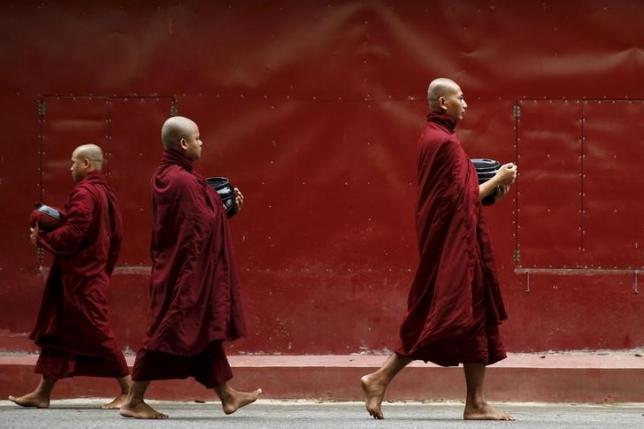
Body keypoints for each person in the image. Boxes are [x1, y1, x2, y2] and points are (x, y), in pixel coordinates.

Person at [360, 78, 518, 421]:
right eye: (461, 97)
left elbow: (454, 196)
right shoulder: (444, 142)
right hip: (454, 246)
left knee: (477, 314)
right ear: (443, 103)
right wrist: (499, 180)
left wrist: (482, 189)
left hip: (456, 240)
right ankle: (379, 378)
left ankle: (475, 402)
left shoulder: (433, 137)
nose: (466, 103)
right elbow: (459, 201)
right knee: (442, 315)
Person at [120, 116, 261, 419]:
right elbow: (200, 227)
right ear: (184, 143)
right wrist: (225, 210)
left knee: (203, 329)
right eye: (197, 138)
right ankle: (133, 400)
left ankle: (228, 396)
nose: (201, 143)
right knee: (166, 329)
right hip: (185, 271)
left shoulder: (165, 175)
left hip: (175, 264)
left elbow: (194, 222)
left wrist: (220, 210)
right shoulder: (184, 181)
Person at [9, 144, 130, 409]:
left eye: (74, 162)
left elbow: (75, 233)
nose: (70, 167)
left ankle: (129, 391)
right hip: (88, 272)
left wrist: (42, 238)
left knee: (98, 331)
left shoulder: (84, 193)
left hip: (82, 277)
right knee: (58, 331)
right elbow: (114, 236)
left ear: (86, 163)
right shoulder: (104, 192)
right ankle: (43, 393)